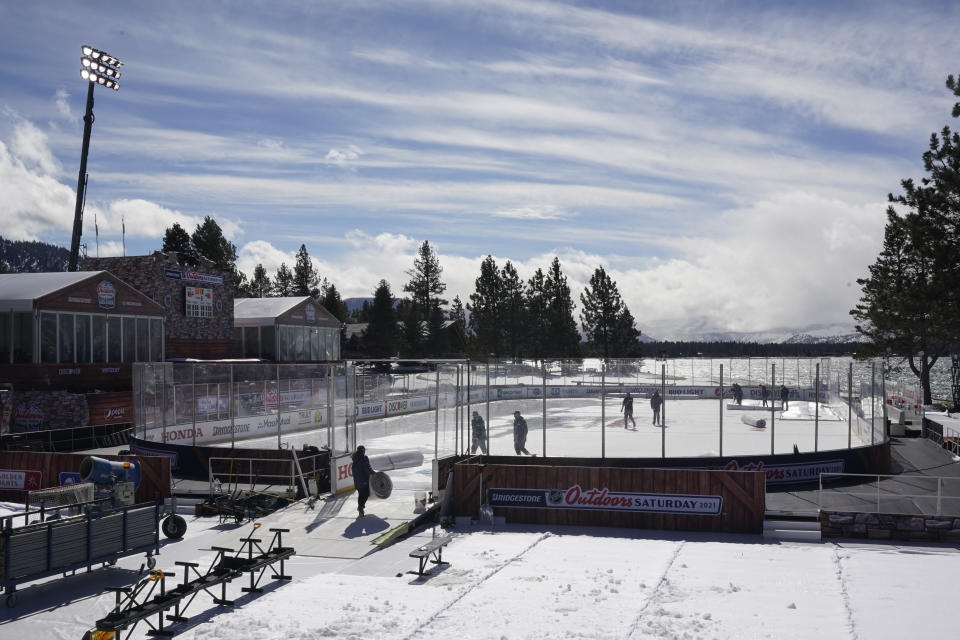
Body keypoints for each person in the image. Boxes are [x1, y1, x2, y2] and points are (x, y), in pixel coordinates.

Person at [352, 445, 375, 517]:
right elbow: (367, 467)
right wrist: (372, 473)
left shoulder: (354, 458)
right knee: (366, 494)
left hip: (357, 481)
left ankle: (360, 507)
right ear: (363, 451)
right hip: (364, 480)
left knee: (361, 494)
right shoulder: (364, 458)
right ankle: (361, 507)